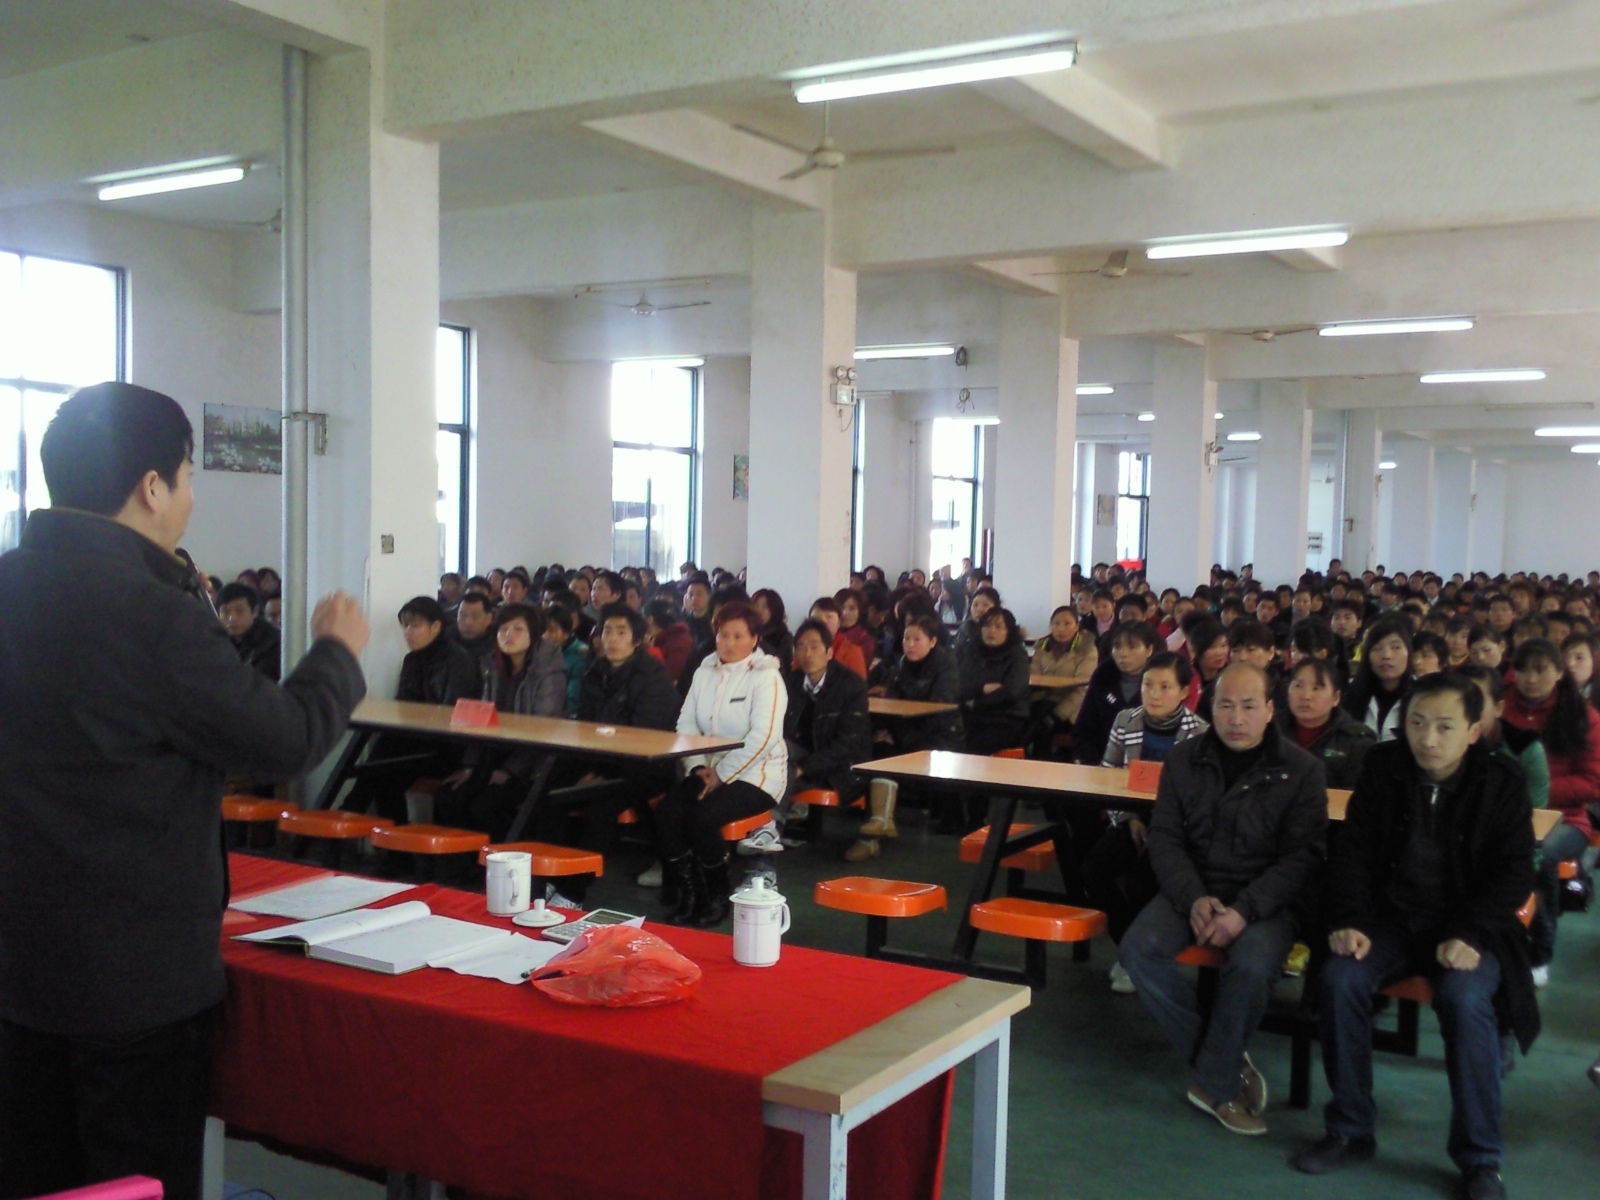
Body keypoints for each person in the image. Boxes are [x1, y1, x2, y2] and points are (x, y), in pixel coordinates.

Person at [0, 382, 368, 1200]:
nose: (191, 497)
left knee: (36, 1177)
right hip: (134, 982)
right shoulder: (150, 613)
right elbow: (283, 737)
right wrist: (336, 653)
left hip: (22, 962)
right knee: (136, 1181)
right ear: (152, 487)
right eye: (190, 476)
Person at [1294, 673, 1536, 1200]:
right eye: (1417, 723)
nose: (1427, 738)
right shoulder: (1383, 767)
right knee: (1338, 980)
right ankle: (1350, 1129)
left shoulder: (1501, 779)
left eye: (1444, 726)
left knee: (1466, 1000)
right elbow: (1352, 851)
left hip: (1466, 928)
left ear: (1474, 730)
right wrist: (1349, 919)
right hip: (1389, 922)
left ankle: (1480, 1159)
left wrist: (1472, 932)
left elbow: (1514, 873)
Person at [1120, 664, 1328, 1137]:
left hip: (1265, 900)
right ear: (1209, 709)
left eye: (1249, 706)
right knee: (1138, 950)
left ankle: (1214, 1083)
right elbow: (1165, 838)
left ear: (1270, 710)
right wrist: (1194, 897)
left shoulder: (1302, 771)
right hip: (1194, 887)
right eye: (1225, 706)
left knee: (1251, 964)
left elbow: (1302, 859)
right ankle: (1225, 1063)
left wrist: (1244, 911)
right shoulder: (1183, 760)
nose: (1236, 718)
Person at [531, 603, 681, 907]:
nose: (612, 639)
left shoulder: (653, 677)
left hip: (645, 767)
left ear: (637, 639)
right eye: (607, 631)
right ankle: (548, 877)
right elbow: (586, 727)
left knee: (602, 802)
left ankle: (573, 892)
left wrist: (603, 773)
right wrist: (592, 767)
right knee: (548, 785)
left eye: (621, 632)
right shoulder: (595, 671)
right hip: (599, 760)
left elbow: (645, 737)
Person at [656, 602, 787, 927]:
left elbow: (764, 737)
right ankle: (690, 892)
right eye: (722, 635)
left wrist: (722, 775)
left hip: (757, 775)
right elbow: (687, 723)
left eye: (738, 636)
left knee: (701, 818)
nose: (728, 643)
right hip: (706, 767)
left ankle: (717, 894)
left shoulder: (767, 677)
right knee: (669, 811)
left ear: (754, 639)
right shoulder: (704, 671)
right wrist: (697, 767)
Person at [1085, 652, 1208, 990]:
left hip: (1176, 829)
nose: (1153, 694)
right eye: (1148, 684)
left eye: (1165, 687)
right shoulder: (1126, 720)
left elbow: (1200, 798)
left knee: (1143, 881)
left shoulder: (1199, 733)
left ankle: (1141, 957)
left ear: (1184, 691)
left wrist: (1165, 829)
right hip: (1131, 818)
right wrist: (1128, 818)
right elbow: (1107, 775)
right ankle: (1131, 952)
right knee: (1094, 869)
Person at [1499, 638, 1598, 984]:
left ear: (1558, 672)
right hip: (1503, 812)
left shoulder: (1582, 715)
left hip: (1565, 818)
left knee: (1539, 854)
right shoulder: (1499, 707)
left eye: (1541, 670)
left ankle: (1540, 951)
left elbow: (1593, 782)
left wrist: (1534, 791)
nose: (1530, 678)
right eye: (1523, 669)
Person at [433, 602, 566, 842]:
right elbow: (479, 720)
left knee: (484, 806)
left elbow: (544, 729)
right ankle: (464, 861)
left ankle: (505, 858)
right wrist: (470, 765)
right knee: (448, 796)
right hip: (493, 757)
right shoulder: (492, 666)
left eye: (518, 629)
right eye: (503, 629)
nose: (508, 635)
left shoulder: (548, 670)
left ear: (534, 634)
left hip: (533, 765)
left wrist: (510, 769)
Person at [340, 597, 480, 822]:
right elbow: (402, 706)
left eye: (415, 626)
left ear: (435, 627)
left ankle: (352, 809)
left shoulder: (459, 661)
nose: (408, 632)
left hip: (447, 748)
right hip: (415, 743)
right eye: (405, 626)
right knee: (384, 765)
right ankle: (370, 821)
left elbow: (451, 713)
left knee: (382, 766)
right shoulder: (412, 660)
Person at [774, 619, 875, 858]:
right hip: (799, 754)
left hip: (841, 766)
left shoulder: (851, 685)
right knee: (771, 758)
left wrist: (805, 767)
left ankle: (770, 831)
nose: (807, 653)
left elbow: (848, 743)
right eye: (801, 647)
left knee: (781, 771)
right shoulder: (790, 682)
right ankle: (763, 829)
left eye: (814, 646)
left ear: (829, 652)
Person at [1457, 664, 1550, 811]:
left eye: (1476, 702)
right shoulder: (1437, 745)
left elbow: (1533, 811)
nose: (1465, 711)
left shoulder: (1526, 749)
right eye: (1459, 702)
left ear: (1498, 708)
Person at [1278, 658, 1376, 790]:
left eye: (1316, 688)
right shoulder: (1268, 730)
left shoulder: (1357, 741)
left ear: (1336, 698)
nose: (1306, 696)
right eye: (1298, 686)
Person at [1074, 622, 1160, 766]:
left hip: (1146, 764)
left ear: (1149, 650)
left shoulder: (1160, 679)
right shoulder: (1103, 673)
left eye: (1132, 647)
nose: (1123, 654)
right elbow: (1084, 727)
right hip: (1100, 760)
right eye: (1117, 647)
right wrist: (1090, 761)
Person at [958, 605, 1032, 756]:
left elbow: (1012, 693)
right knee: (949, 742)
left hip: (1007, 719)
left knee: (974, 749)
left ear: (1009, 631)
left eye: (999, 627)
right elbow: (960, 685)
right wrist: (982, 688)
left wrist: (976, 702)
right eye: (986, 625)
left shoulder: (1017, 655)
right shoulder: (972, 651)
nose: (991, 631)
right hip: (972, 717)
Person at [1030, 605, 1099, 754]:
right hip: (1045, 702)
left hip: (1072, 708)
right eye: (1056, 623)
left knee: (1044, 727)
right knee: (1029, 722)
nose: (1061, 629)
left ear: (1077, 626)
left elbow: (1083, 689)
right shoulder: (1041, 647)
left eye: (1067, 623)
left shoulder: (1087, 650)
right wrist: (1036, 705)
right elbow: (1034, 681)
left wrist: (1057, 715)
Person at [1342, 615, 1413, 740]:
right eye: (1377, 648)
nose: (1386, 655)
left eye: (1395, 647)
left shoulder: (1421, 696)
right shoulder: (1350, 693)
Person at [216, 581, 282, 681]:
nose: (232, 618)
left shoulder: (271, 642)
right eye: (225, 611)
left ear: (254, 612)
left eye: (239, 611)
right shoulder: (216, 639)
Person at [808, 596, 868, 679]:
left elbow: (859, 684)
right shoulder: (803, 649)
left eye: (829, 617)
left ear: (839, 622)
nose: (823, 622)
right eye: (816, 618)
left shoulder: (853, 652)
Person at [450, 590, 497, 666]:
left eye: (475, 617)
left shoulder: (497, 647)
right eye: (463, 615)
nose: (468, 622)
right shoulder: (445, 641)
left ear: (489, 619)